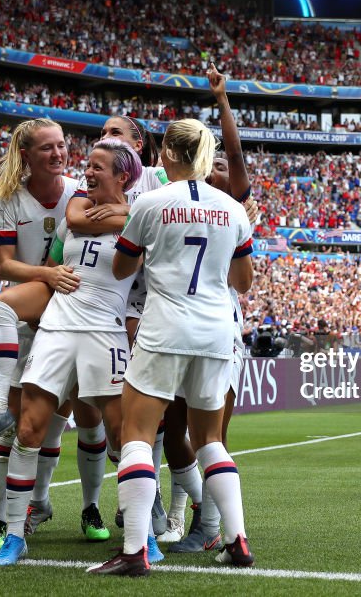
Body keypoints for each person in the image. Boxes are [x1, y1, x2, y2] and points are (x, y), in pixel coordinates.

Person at [89, 119, 255, 576]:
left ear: (165, 153)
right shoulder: (232, 209)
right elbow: (243, 281)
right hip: (217, 331)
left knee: (138, 436)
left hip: (164, 328)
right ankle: (236, 540)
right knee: (209, 441)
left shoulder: (152, 202)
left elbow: (123, 269)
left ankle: (134, 551)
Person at [0, 138, 143, 566]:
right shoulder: (72, 217)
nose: (87, 173)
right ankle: (15, 534)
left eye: (98, 168)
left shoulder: (142, 219)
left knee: (121, 439)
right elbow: (54, 266)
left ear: (123, 175)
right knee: (29, 431)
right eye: (88, 166)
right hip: (58, 328)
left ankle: (141, 531)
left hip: (105, 333)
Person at [0, 118, 86, 552]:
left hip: (70, 316)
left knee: (52, 425)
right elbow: (4, 267)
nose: (58, 154)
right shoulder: (6, 200)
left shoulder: (81, 191)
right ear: (26, 155)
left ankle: (38, 503)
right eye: (47, 148)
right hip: (25, 316)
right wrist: (46, 276)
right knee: (11, 425)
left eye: (62, 145)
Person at [166, 64, 253, 552]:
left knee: (211, 434)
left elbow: (235, 154)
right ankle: (189, 513)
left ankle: (211, 525)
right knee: (172, 435)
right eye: (211, 164)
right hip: (178, 323)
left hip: (219, 326)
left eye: (224, 167)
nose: (219, 170)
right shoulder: (175, 200)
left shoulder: (233, 204)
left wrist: (221, 99)